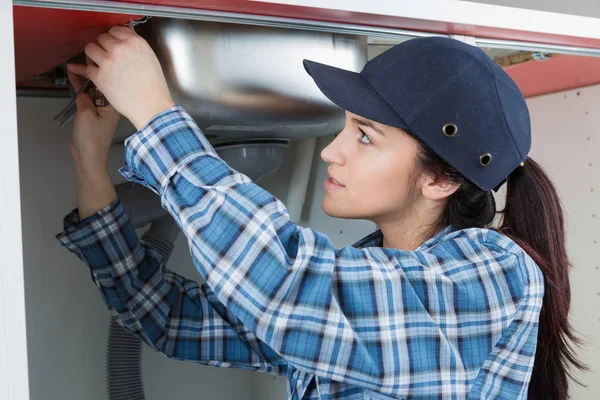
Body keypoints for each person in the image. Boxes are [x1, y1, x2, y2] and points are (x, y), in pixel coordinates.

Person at [57, 26, 584, 399]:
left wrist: (155, 115)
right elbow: (169, 319)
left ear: (441, 178)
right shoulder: (361, 287)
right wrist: (90, 162)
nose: (333, 151)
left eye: (365, 136)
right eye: (345, 126)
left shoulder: (493, 274)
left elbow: (284, 284)